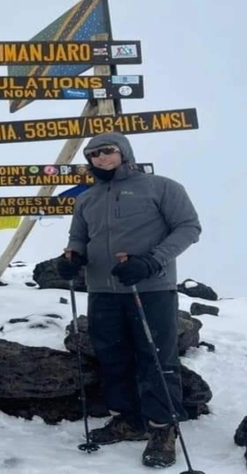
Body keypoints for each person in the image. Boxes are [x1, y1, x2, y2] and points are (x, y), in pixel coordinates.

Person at [55, 132, 201, 468]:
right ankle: (130, 420)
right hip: (103, 290)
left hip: (150, 287)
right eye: (93, 154)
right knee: (111, 357)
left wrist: (151, 260)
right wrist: (72, 257)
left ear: (124, 152)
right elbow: (78, 236)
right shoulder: (87, 198)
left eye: (107, 151)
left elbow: (188, 227)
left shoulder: (162, 187)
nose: (100, 158)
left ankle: (163, 428)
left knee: (157, 357)